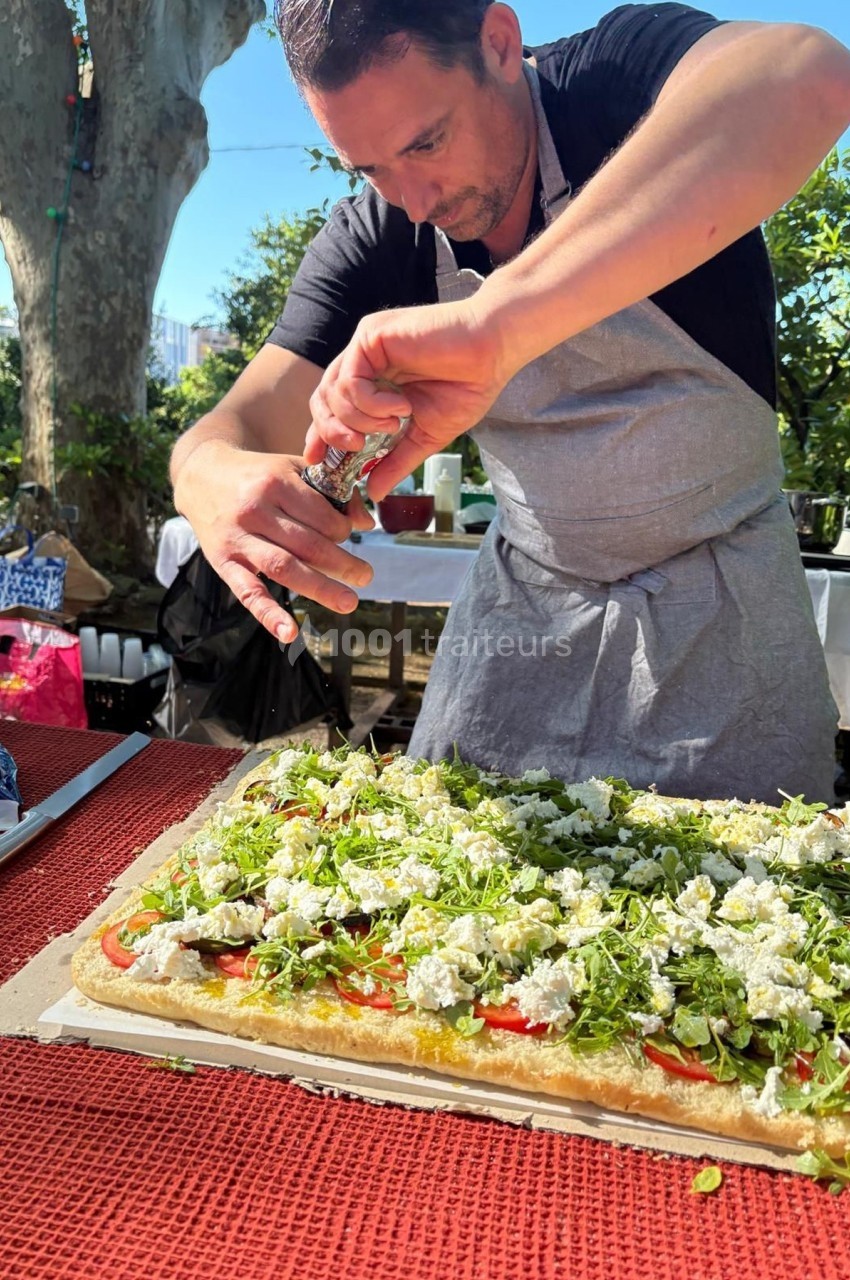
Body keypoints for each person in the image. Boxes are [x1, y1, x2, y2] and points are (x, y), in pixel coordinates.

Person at [171, 1, 850, 803]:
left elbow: (809, 75)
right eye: (372, 169)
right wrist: (211, 480)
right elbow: (235, 423)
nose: (413, 199)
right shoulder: (383, 230)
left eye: (426, 142)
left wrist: (499, 325)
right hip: (520, 621)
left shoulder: (614, 81)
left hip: (726, 612)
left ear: (498, 43)